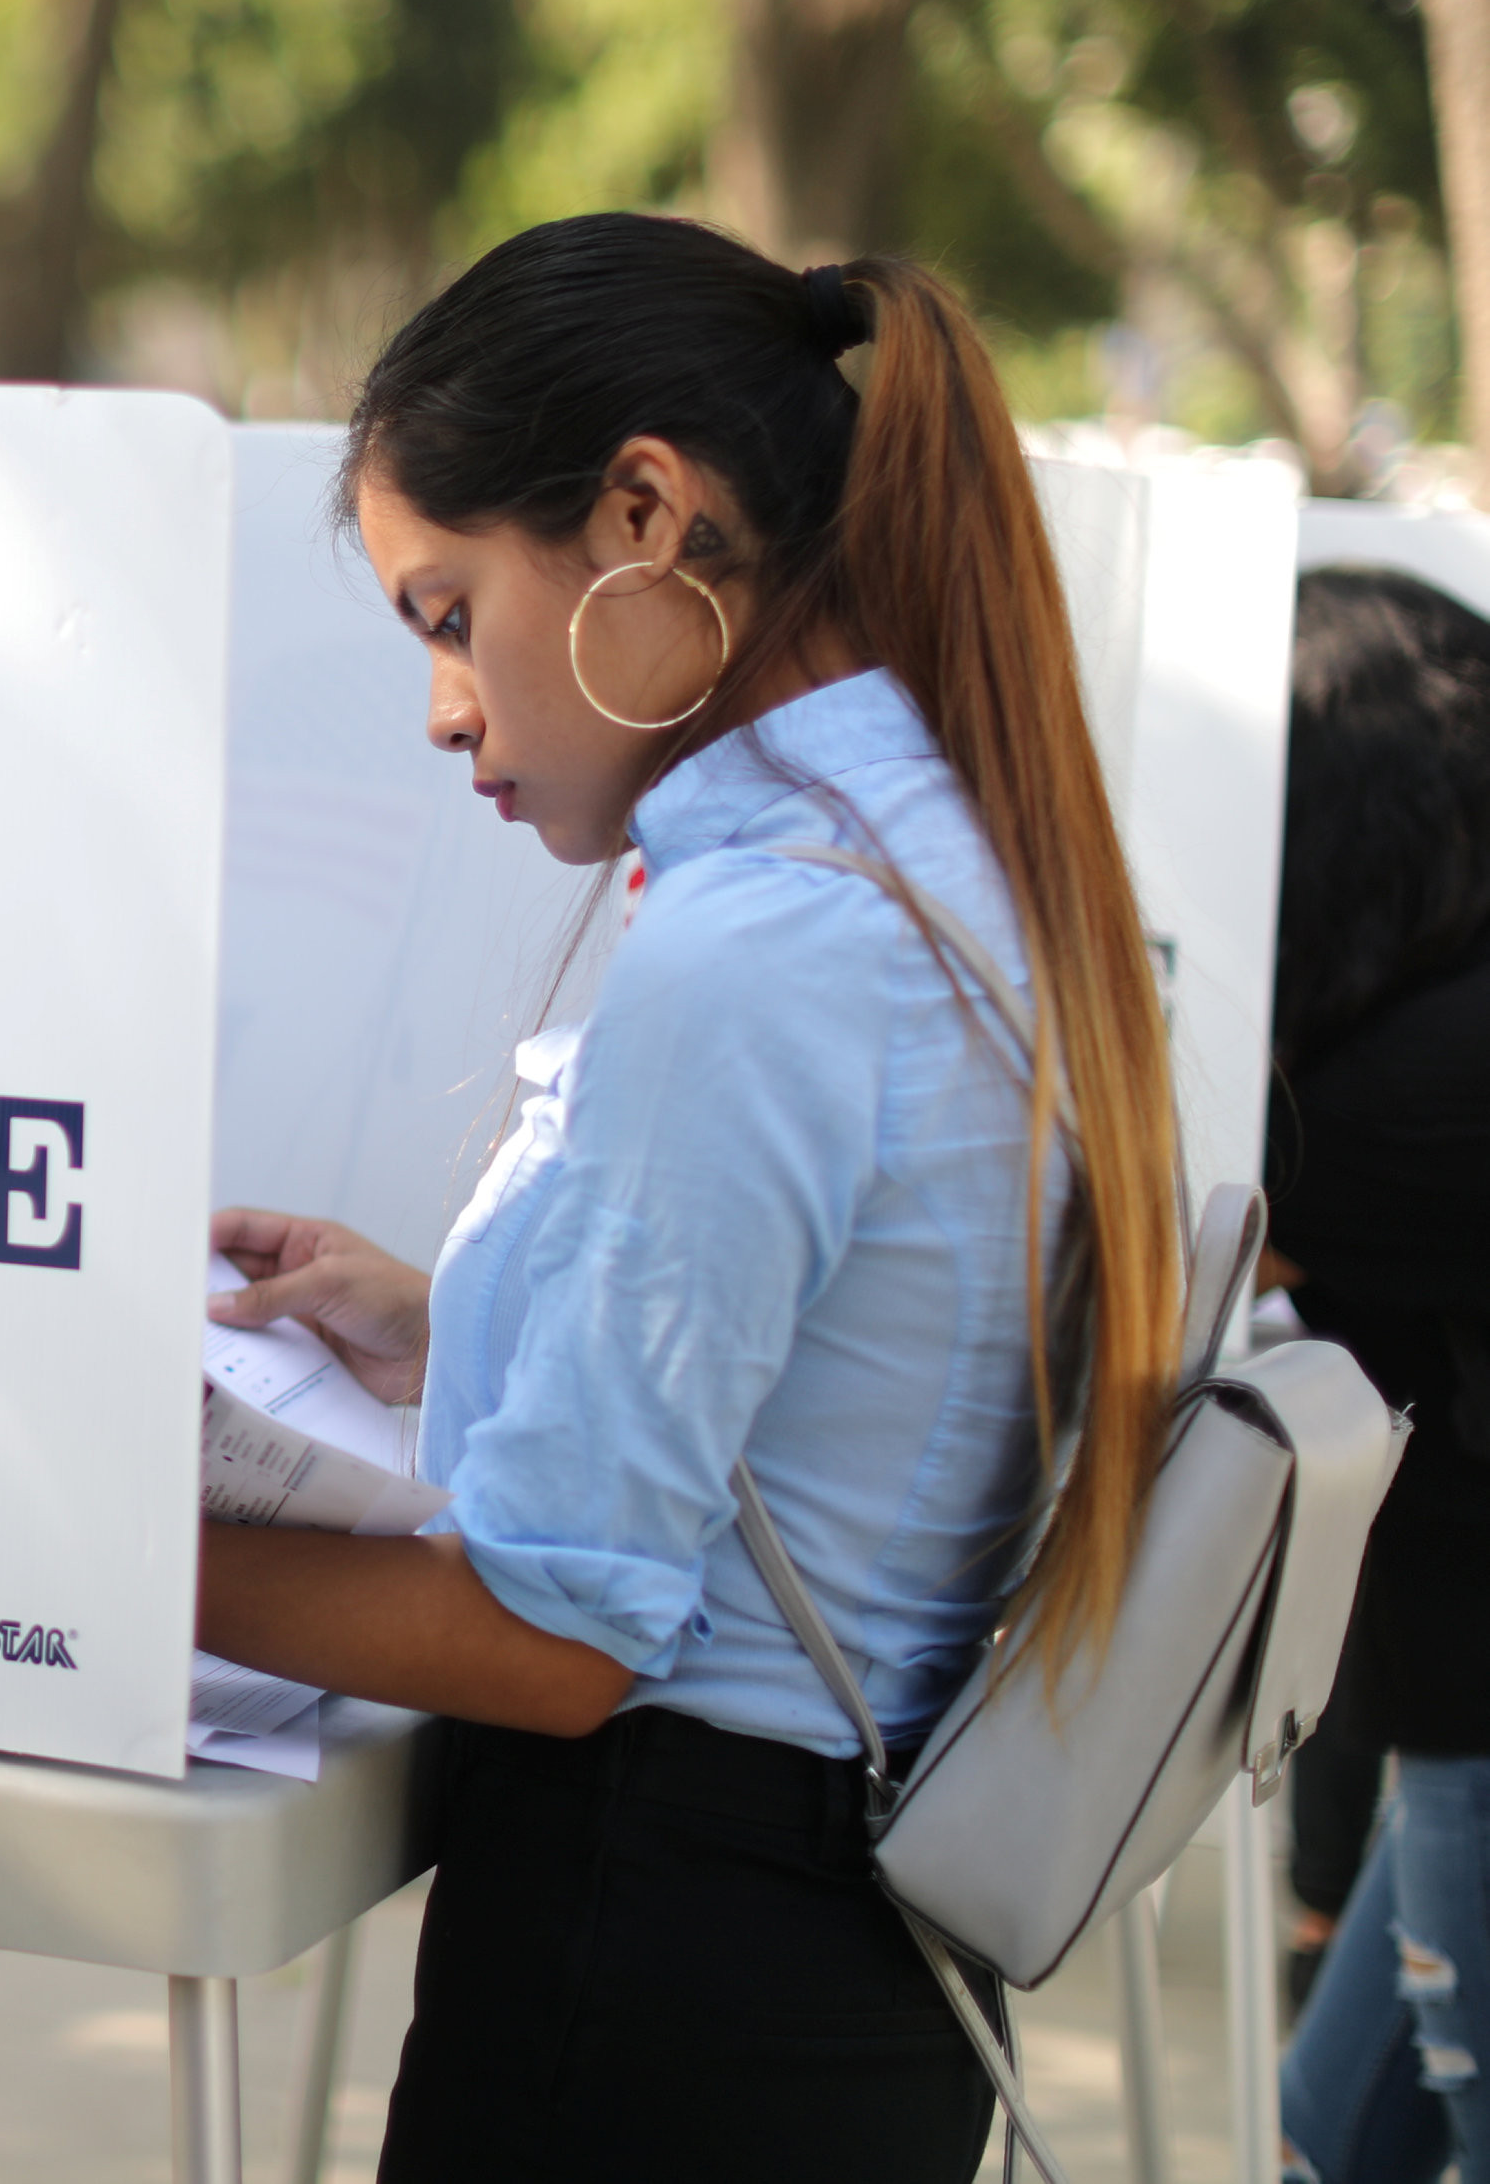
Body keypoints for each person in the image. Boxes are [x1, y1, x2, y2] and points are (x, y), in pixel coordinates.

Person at [198, 213, 1185, 2182]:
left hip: (660, 1972)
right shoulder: (941, 865)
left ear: (642, 514)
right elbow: (830, 1373)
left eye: (445, 613)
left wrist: (65, 1564)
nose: (440, 709)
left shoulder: (765, 951)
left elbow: (552, 1641)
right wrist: (439, 1317)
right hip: (812, 1954)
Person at [1267, 562, 1490, 2184]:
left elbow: (1159, 1230)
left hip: (1478, 1730)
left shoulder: (1398, 1088)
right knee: (1331, 2142)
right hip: (1453, 1730)